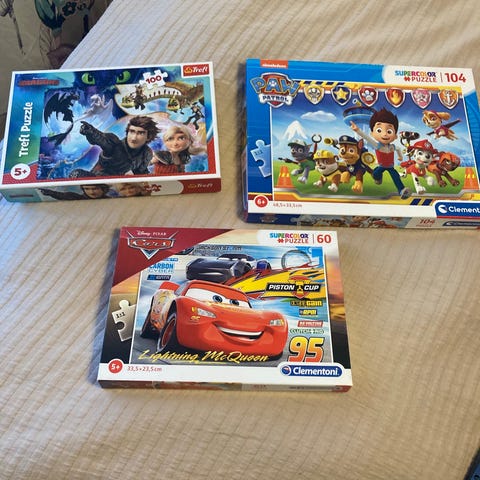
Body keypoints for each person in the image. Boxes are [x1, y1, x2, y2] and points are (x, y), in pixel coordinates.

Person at [71, 115, 160, 177]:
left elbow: (140, 172)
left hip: (117, 184)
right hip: (96, 178)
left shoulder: (146, 153)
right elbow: (103, 140)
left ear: (148, 137)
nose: (133, 138)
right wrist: (91, 132)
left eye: (140, 133)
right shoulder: (115, 144)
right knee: (77, 174)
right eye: (132, 131)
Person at [351, 108, 411, 199]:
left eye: (389, 131)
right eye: (379, 130)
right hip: (381, 166)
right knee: (375, 174)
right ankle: (378, 178)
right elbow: (367, 138)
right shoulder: (377, 145)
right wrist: (357, 130)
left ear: (395, 136)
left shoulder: (392, 146)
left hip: (390, 166)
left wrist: (400, 157)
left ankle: (402, 190)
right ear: (372, 133)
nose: (385, 134)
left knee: (396, 176)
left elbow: (398, 149)